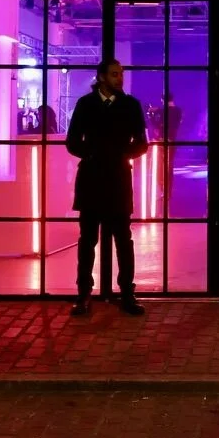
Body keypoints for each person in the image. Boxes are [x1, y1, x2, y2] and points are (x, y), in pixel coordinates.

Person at [66, 58, 148, 317]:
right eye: (114, 74)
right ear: (101, 77)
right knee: (87, 240)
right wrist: (93, 154)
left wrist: (121, 154)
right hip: (92, 179)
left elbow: (142, 143)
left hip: (118, 179)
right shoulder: (85, 104)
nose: (119, 79)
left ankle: (126, 293)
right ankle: (83, 294)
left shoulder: (130, 105)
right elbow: (72, 142)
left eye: (121, 74)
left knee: (123, 240)